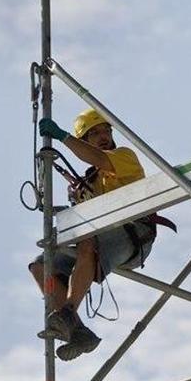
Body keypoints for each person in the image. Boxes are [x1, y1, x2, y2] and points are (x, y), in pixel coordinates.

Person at [29, 108, 161, 362]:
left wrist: (63, 137)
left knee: (87, 235)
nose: (102, 136)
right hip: (97, 239)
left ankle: (68, 311)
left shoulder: (123, 157)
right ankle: (76, 330)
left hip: (133, 234)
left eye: (105, 131)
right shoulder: (87, 182)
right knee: (41, 265)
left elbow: (98, 158)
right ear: (86, 139)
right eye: (93, 134)